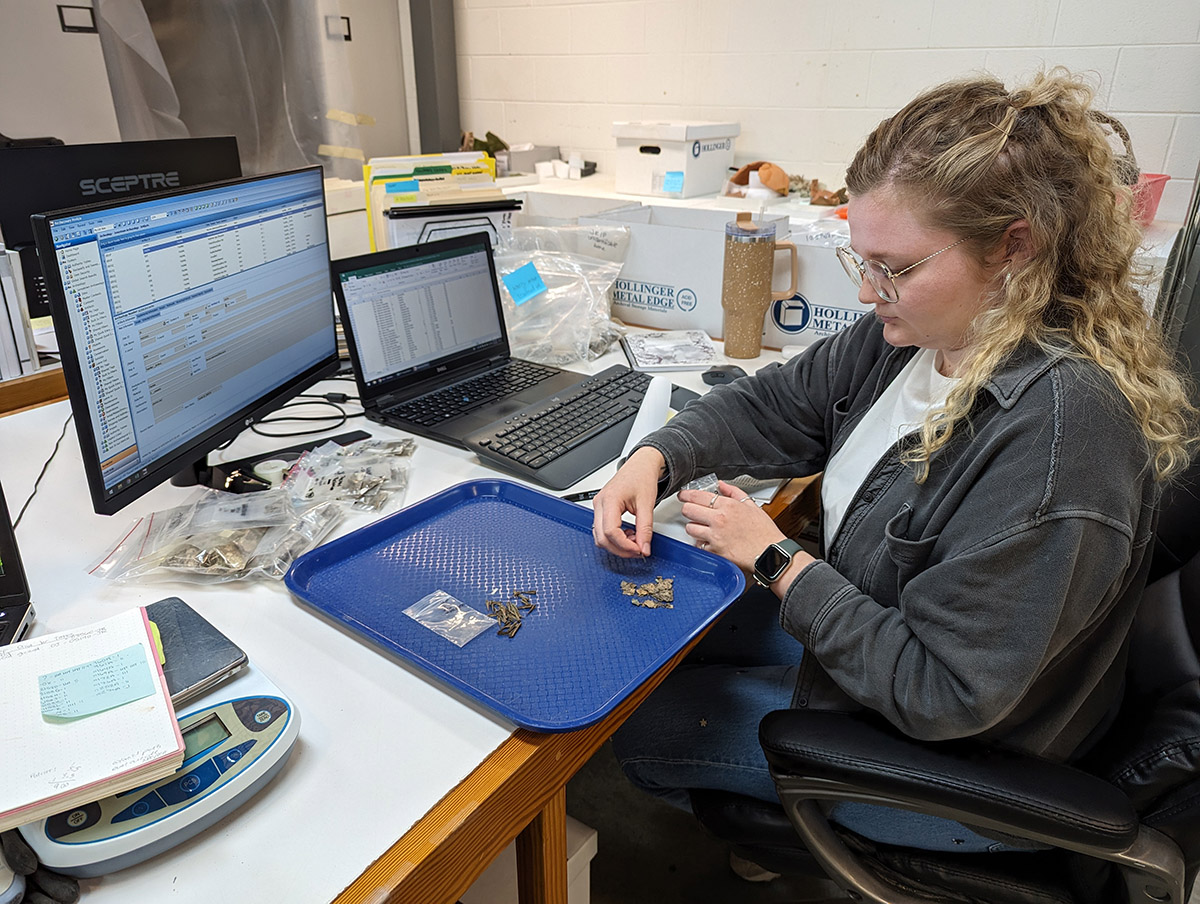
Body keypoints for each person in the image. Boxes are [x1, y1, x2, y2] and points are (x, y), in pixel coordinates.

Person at [591, 68, 1198, 861]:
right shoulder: (920, 333)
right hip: (887, 636)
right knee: (664, 624)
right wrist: (657, 456)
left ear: (1015, 245)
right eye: (862, 261)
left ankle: (783, 838)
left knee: (642, 726)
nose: (871, 292)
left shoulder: (1059, 439)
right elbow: (775, 403)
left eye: (897, 266)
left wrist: (776, 559)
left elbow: (945, 693)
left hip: (971, 756)